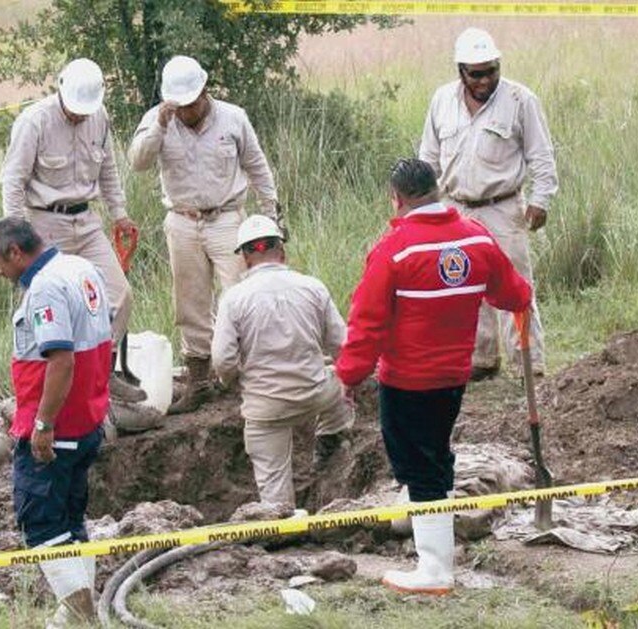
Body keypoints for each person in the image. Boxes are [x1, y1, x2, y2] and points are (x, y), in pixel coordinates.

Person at [336, 159, 532, 595]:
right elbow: (513, 292)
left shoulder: (394, 250)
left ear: (397, 199)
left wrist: (348, 374)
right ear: (437, 189)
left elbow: (367, 324)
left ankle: (436, 569)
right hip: (454, 377)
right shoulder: (476, 238)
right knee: (435, 457)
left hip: (407, 380)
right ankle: (431, 535)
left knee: (419, 467)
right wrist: (521, 298)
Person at [128, 55, 281, 415]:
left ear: (204, 91)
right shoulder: (157, 120)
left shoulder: (233, 117)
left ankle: (248, 376)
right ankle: (198, 381)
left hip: (227, 216)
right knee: (190, 301)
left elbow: (257, 165)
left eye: (192, 104)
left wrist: (272, 213)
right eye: (179, 105)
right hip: (182, 218)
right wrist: (159, 126)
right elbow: (138, 162)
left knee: (239, 294)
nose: (186, 111)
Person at [0, 217, 112, 626]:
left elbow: (61, 360)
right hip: (87, 417)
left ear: (15, 252)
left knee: (39, 519)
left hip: (59, 426)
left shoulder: (44, 288)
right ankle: (81, 610)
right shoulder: (81, 267)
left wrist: (43, 424)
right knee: (69, 519)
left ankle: (78, 612)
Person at [418, 27, 557, 380]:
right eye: (476, 74)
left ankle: (528, 363)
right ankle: (481, 357)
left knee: (516, 286)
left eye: (492, 70)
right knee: (462, 281)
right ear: (461, 72)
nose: (485, 80)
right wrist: (423, 207)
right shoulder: (441, 100)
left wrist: (540, 200)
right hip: (456, 207)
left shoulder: (521, 100)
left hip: (503, 207)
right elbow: (429, 158)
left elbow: (542, 156)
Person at [0, 57, 141, 396]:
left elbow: (108, 170)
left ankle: (102, 374)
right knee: (51, 307)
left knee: (118, 295)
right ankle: (48, 386)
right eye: (74, 110)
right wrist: (16, 232)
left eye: (84, 111)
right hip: (44, 225)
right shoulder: (34, 121)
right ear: (60, 89)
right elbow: (13, 180)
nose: (79, 116)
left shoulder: (100, 117)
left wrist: (119, 213)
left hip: (86, 222)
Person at [211, 215, 353, 509]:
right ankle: (331, 436)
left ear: (245, 259)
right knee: (340, 382)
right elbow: (342, 346)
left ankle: (282, 520)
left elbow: (223, 361)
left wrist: (234, 382)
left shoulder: (233, 299)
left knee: (274, 496)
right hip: (315, 394)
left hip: (266, 410)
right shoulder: (312, 287)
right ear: (282, 251)